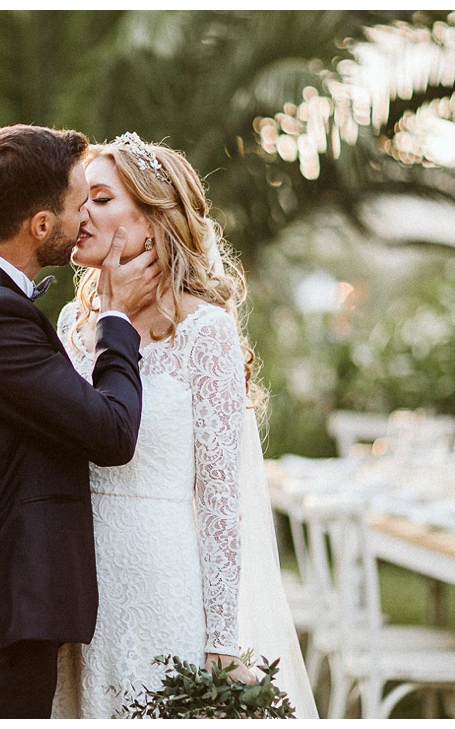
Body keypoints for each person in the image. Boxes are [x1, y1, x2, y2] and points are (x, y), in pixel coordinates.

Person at [50, 133, 319, 719]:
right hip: (71, 582)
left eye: (100, 199)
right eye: (80, 199)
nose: (80, 214)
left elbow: (222, 498)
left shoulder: (205, 333)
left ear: (151, 221)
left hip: (157, 580)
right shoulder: (75, 322)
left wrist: (221, 638)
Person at [0, 124, 162, 719]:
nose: (85, 221)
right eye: (79, 206)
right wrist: (118, 321)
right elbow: (110, 432)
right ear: (41, 225)